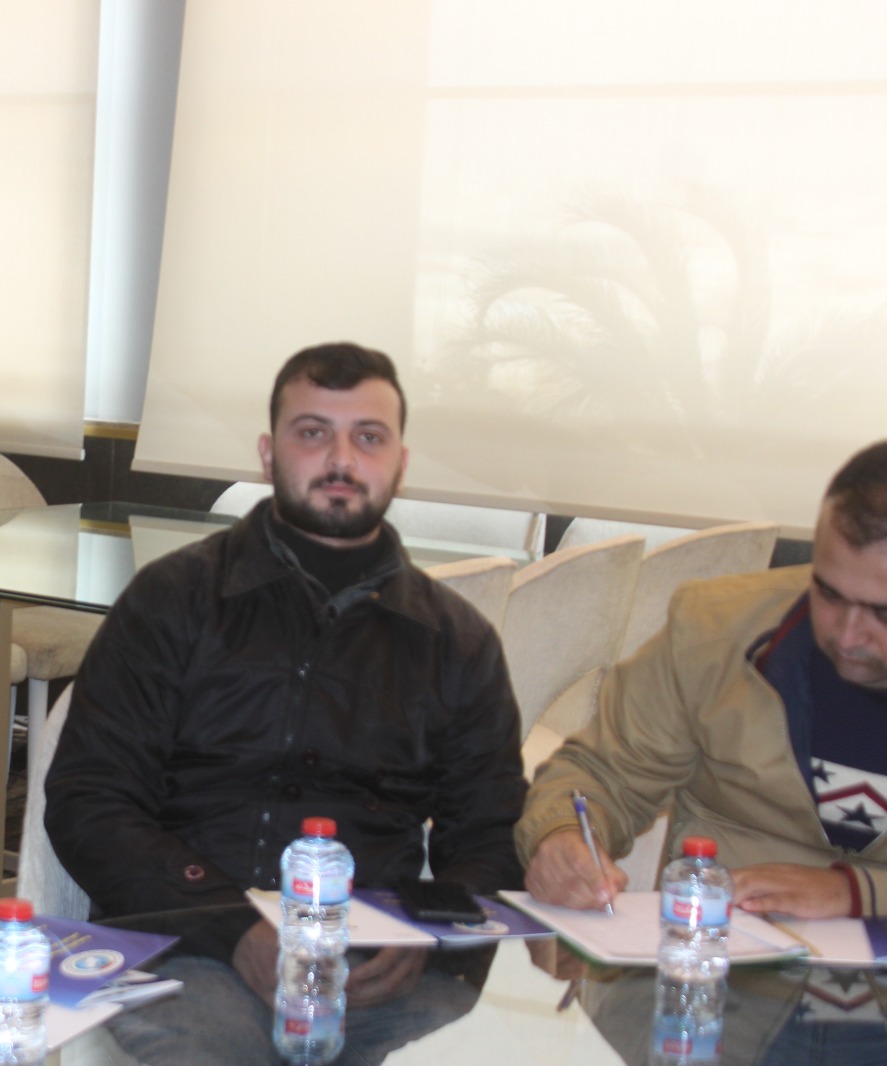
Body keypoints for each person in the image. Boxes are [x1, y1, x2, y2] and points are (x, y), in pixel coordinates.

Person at [44, 342, 526, 1064]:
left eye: (368, 437)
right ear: (269, 455)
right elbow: (91, 800)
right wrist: (232, 927)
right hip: (189, 950)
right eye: (313, 432)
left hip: (378, 972)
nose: (341, 459)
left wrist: (429, 933)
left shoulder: (456, 642)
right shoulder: (171, 602)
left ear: (400, 462)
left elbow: (490, 835)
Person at [519, 440, 887, 919]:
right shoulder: (713, 631)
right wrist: (562, 836)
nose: (848, 635)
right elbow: (601, 773)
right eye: (828, 593)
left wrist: (857, 893)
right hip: (716, 946)